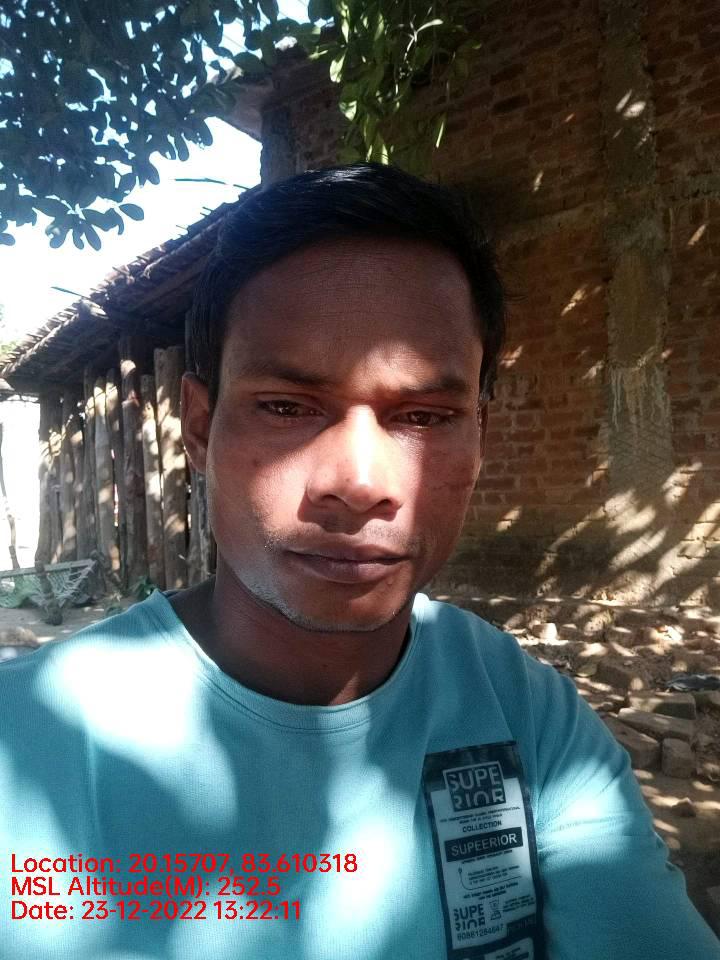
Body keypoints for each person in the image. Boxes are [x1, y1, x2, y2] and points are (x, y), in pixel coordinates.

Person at [1, 163, 718, 960]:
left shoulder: (527, 715)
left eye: (424, 416)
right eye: (286, 407)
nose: (359, 483)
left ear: (478, 439)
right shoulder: (24, 744)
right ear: (200, 429)